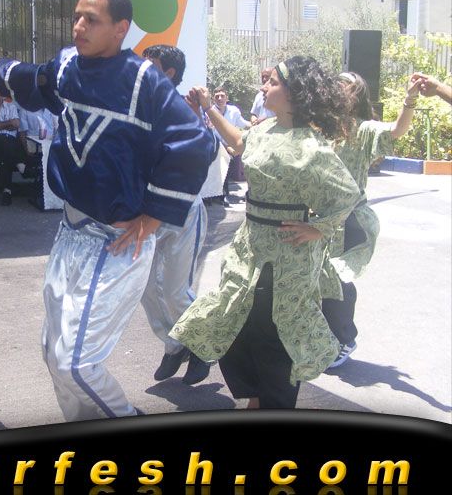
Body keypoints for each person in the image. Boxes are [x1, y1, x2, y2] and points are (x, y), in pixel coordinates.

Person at [0, 0, 216, 420]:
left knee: (76, 364)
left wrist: (153, 215)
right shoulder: (69, 64)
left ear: (120, 28)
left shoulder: (142, 79)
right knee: (52, 354)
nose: (79, 27)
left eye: (92, 20)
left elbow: (195, 142)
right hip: (71, 233)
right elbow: (25, 78)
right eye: (76, 17)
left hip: (116, 241)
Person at [170, 56, 361, 409]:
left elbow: (347, 194)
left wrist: (317, 228)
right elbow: (239, 141)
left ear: (293, 92)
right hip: (250, 247)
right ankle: (256, 400)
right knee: (239, 325)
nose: (264, 87)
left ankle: (272, 405)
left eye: (272, 81)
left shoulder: (311, 146)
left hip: (286, 258)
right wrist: (208, 108)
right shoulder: (265, 129)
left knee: (275, 335)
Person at [322, 71, 420, 368]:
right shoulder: (323, 126)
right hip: (321, 218)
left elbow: (397, 131)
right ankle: (325, 338)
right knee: (318, 278)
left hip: (351, 219)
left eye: (344, 83)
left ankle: (345, 338)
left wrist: (410, 99)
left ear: (356, 93)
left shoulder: (363, 129)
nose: (336, 86)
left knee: (338, 278)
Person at [140, 44, 213, 384]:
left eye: (150, 64)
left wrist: (199, 114)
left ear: (168, 73)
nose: (142, 68)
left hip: (183, 211)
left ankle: (202, 347)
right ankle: (175, 345)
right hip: (147, 213)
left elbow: (205, 152)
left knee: (174, 291)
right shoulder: (137, 103)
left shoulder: (184, 109)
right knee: (144, 288)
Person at [0, 80, 31, 206]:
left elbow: (16, 124)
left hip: (10, 144)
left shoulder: (11, 107)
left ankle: (7, 191)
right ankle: (21, 166)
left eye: (0, 89)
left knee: (6, 154)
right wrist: (8, 123)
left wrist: (0, 125)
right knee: (5, 142)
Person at [211, 82, 251, 207]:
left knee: (230, 164)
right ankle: (221, 194)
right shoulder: (210, 112)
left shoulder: (234, 111)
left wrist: (255, 125)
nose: (220, 98)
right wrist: (226, 146)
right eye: (217, 96)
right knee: (223, 162)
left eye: (222, 96)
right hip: (215, 144)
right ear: (213, 98)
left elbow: (243, 123)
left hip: (229, 146)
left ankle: (223, 193)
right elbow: (212, 132)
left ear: (227, 98)